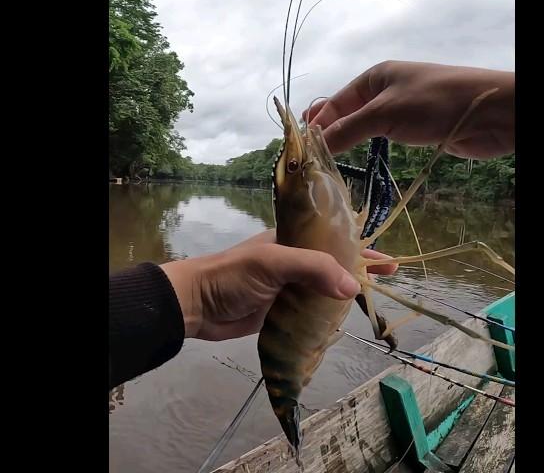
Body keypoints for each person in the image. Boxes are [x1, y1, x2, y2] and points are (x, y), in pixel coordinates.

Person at [109, 61, 515, 390]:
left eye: (294, 165)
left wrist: (196, 295)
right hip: (287, 357)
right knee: (472, 247)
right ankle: (493, 341)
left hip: (283, 339)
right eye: (295, 166)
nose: (304, 156)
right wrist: (490, 104)